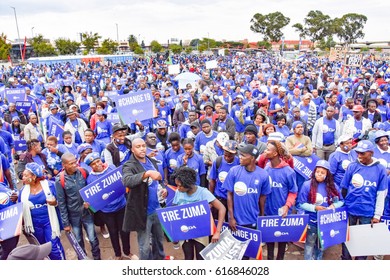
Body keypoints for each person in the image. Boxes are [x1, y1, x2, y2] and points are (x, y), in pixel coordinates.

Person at [84, 153, 138, 260]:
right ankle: (118, 254)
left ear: (101, 160)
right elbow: (93, 197)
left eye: (98, 161)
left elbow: (123, 181)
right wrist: (88, 203)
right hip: (106, 211)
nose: (97, 164)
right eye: (93, 164)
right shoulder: (90, 179)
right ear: (91, 166)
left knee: (125, 230)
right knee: (113, 232)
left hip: (121, 206)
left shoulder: (112, 168)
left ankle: (127, 252)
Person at [340, 140, 388, 260]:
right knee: (347, 238)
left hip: (367, 212)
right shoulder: (352, 166)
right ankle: (346, 259)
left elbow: (381, 194)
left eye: (363, 153)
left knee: (364, 242)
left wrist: (377, 215)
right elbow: (344, 189)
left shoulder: (380, 169)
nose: (359, 156)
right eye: (358, 153)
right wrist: (345, 205)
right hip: (350, 209)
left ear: (371, 153)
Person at [223, 143, 271, 259]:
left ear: (252, 158)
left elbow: (263, 198)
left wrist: (261, 217)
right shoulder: (234, 171)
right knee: (234, 253)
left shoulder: (263, 175)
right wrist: (231, 217)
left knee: (247, 254)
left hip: (252, 220)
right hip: (236, 222)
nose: (240, 157)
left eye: (243, 155)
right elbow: (229, 194)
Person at [122, 138, 167, 260]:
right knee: (145, 246)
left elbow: (159, 181)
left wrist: (163, 189)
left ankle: (160, 260)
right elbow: (127, 180)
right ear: (132, 149)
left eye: (143, 146)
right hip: (143, 213)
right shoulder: (129, 165)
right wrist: (146, 174)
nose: (142, 148)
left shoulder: (151, 161)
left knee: (159, 240)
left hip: (157, 208)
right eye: (138, 146)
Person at [171, 166, 226, 260]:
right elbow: (174, 212)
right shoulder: (178, 192)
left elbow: (222, 208)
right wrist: (175, 234)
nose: (178, 188)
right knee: (188, 258)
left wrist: (217, 232)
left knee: (201, 258)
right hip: (185, 231)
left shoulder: (203, 192)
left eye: (180, 186)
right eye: (177, 185)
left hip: (201, 231)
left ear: (188, 184)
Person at [55, 153, 101, 260]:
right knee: (78, 239)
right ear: (64, 165)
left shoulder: (84, 172)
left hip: (87, 213)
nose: (75, 165)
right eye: (71, 164)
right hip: (73, 215)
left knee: (93, 238)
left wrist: (91, 203)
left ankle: (97, 258)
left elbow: (92, 190)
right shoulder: (60, 180)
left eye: (75, 162)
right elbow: (61, 203)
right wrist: (66, 223)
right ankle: (82, 259)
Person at [297, 160, 344, 260]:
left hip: (326, 222)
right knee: (309, 244)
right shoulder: (307, 185)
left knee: (321, 244)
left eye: (322, 173)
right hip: (312, 221)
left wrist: (334, 206)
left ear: (327, 174)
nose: (319, 174)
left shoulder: (332, 186)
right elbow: (301, 203)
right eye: (317, 171)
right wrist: (315, 208)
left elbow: (341, 201)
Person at [19, 162, 65, 260]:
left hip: (49, 222)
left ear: (34, 176)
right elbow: (20, 210)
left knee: (53, 248)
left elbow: (63, 201)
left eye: (26, 175)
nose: (23, 177)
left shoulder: (50, 186)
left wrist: (55, 202)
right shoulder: (22, 192)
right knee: (41, 249)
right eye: (23, 175)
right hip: (34, 225)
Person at [263, 140, 298, 260]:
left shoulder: (288, 172)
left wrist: (287, 206)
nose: (265, 151)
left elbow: (293, 192)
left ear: (275, 154)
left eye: (268, 149)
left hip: (283, 214)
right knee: (269, 241)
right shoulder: (266, 168)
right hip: (268, 213)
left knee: (282, 242)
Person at [209, 140, 239, 221]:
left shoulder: (239, 163)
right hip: (220, 198)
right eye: (225, 155)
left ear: (235, 154)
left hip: (234, 200)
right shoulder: (218, 161)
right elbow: (212, 181)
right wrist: (210, 199)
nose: (227, 158)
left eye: (230, 156)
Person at [0, 182, 19, 260]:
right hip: (4, 227)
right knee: (8, 253)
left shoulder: (2, 184)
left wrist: (16, 195)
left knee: (12, 250)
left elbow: (13, 193)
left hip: (13, 222)